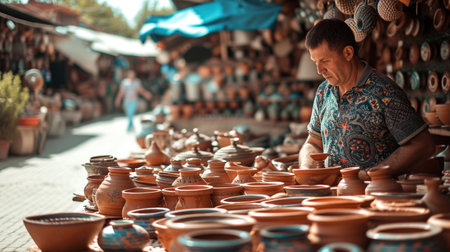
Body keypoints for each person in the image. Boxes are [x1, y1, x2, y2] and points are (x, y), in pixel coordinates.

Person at [298, 19, 435, 180]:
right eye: (315, 62)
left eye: (325, 61)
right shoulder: (323, 92)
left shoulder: (384, 92)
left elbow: (422, 145)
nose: (319, 70)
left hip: (373, 195)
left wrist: (369, 175)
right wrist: (307, 165)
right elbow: (313, 141)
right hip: (332, 197)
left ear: (348, 53)